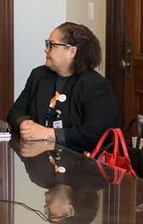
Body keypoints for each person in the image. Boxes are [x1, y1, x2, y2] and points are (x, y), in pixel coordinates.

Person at [7, 22, 118, 154]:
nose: (46, 50)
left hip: (80, 165)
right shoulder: (39, 75)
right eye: (47, 44)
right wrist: (25, 125)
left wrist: (48, 133)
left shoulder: (95, 85)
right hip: (39, 161)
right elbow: (15, 112)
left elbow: (94, 134)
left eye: (52, 45)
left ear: (72, 51)